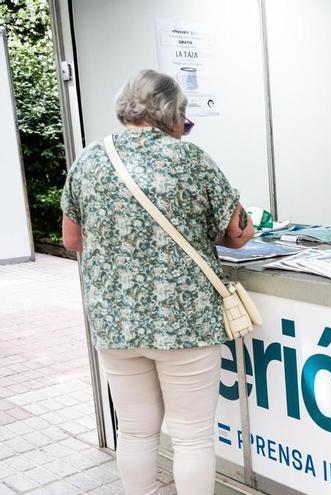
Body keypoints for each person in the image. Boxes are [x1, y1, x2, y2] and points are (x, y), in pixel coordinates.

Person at [60, 69, 253, 495]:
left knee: (134, 430)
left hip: (115, 322)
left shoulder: (88, 161)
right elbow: (239, 234)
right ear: (173, 113)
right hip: (185, 323)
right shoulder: (191, 159)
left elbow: (72, 240)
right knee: (191, 436)